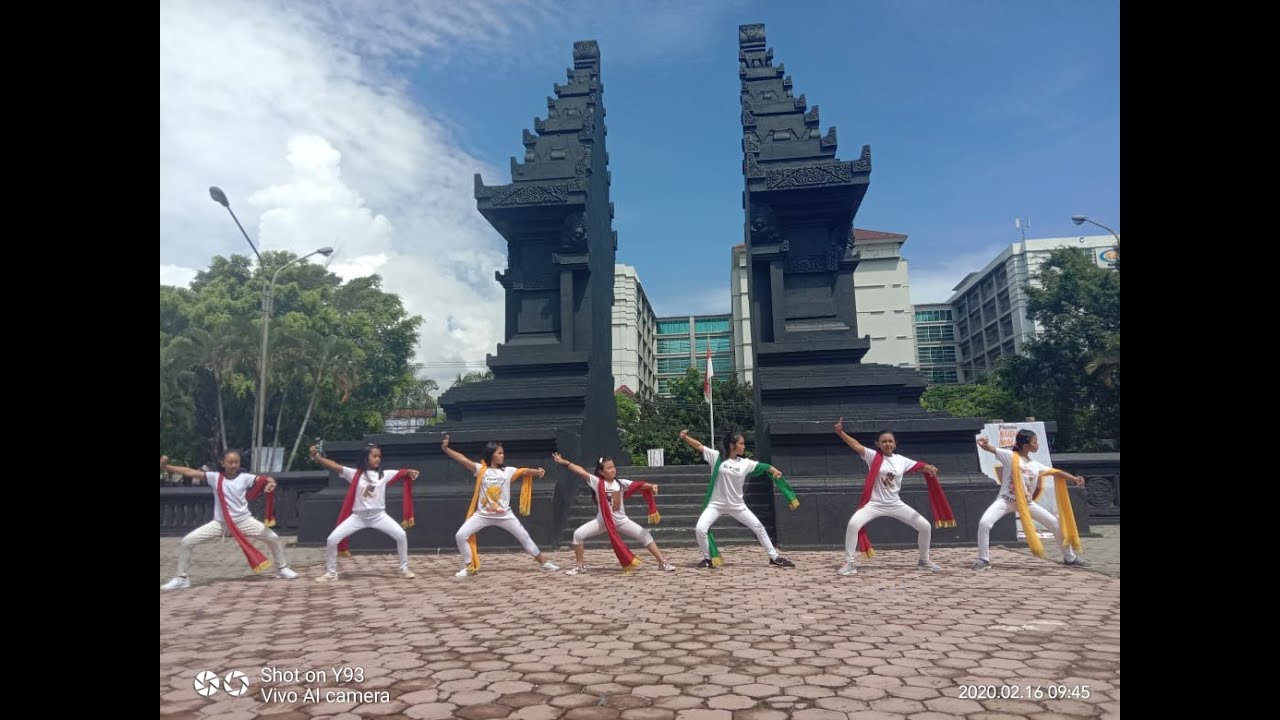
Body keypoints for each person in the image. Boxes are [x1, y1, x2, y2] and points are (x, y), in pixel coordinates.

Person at [832, 419, 955, 576]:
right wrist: (841, 433)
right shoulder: (873, 456)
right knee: (853, 524)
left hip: (895, 504)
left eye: (890, 441)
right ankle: (849, 563)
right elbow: (856, 446)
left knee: (925, 526)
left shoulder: (901, 460)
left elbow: (919, 466)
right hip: (874, 504)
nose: (887, 444)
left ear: (895, 444)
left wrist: (929, 468)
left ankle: (924, 561)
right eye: (884, 441)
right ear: (877, 444)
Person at [160, 450, 296, 589]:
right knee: (187, 541)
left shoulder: (245, 477)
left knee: (273, 537)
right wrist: (166, 467)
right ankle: (181, 578)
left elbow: (265, 480)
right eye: (230, 462)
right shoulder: (215, 477)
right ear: (223, 463)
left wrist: (271, 483)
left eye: (236, 462)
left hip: (244, 520)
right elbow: (190, 472)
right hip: (220, 523)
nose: (234, 465)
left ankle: (282, 568)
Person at [442, 434, 560, 577]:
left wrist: (538, 472)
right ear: (491, 454)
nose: (502, 455)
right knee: (461, 535)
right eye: (499, 453)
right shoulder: (481, 470)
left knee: (524, 537)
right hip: (482, 515)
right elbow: (463, 460)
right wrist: (446, 449)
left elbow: (524, 471)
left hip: (505, 515)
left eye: (503, 453)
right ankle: (469, 567)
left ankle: (544, 563)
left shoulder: (507, 471)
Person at [678, 429, 798, 568]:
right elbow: (699, 446)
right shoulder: (716, 457)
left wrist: (774, 470)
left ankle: (774, 557)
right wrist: (685, 437)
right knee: (700, 529)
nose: (744, 446)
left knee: (758, 527)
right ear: (732, 445)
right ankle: (708, 558)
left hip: (737, 505)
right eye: (741, 443)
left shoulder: (745, 463)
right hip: (716, 504)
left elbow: (763, 466)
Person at [973, 429, 1089, 570]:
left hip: (1027, 503)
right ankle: (983, 559)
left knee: (1055, 524)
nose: (1037, 445)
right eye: (1034, 442)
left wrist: (1074, 478)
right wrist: (983, 444)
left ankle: (1070, 558)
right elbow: (990, 449)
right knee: (984, 523)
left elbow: (1056, 472)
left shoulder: (1035, 465)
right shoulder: (1010, 456)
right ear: (1025, 445)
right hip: (1005, 501)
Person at [310, 443, 420, 581]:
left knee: (401, 535)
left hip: (379, 516)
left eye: (379, 456)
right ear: (366, 457)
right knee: (332, 539)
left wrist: (411, 472)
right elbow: (334, 466)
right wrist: (317, 457)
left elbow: (402, 472)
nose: (378, 459)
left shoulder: (384, 475)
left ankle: (404, 568)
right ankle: (331, 573)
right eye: (374, 456)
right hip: (358, 517)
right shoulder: (355, 474)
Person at [552, 452, 675, 574]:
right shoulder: (597, 482)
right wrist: (565, 462)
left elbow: (639, 485)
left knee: (645, 535)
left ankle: (662, 562)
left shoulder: (621, 483)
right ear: (601, 472)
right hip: (603, 521)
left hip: (621, 521)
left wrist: (652, 486)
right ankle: (580, 566)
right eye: (609, 468)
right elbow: (581, 471)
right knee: (578, 534)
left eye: (613, 467)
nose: (612, 470)